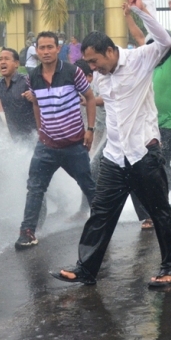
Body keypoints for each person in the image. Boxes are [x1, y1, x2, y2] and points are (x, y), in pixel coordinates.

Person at [51, 0, 171, 289]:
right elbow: (106, 105)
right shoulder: (100, 75)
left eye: (95, 61)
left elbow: (164, 41)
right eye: (89, 63)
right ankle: (86, 268)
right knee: (100, 212)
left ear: (110, 51)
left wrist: (141, 10)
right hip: (115, 156)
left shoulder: (139, 60)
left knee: (160, 212)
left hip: (144, 154)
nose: (92, 67)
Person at [14, 31, 97, 250]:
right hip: (47, 146)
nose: (46, 51)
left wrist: (90, 130)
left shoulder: (72, 72)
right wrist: (41, 129)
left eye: (50, 47)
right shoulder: (32, 76)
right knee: (35, 187)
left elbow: (89, 98)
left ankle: (102, 224)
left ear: (58, 49)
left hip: (74, 145)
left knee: (88, 185)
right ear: (36, 50)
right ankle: (27, 232)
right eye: (42, 48)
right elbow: (35, 103)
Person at [125, 0, 171, 231]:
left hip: (170, 124)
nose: (152, 48)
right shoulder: (152, 64)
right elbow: (138, 38)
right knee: (155, 164)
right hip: (152, 124)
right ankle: (170, 197)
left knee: (159, 164)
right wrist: (128, 15)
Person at [73, 58, 107, 220]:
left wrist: (89, 102)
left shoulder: (97, 86)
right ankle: (86, 210)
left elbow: (101, 120)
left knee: (92, 170)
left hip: (118, 136)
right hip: (107, 136)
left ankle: (89, 211)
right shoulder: (84, 89)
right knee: (91, 170)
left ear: (88, 76)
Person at [0, 48, 37, 141]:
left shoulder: (27, 81)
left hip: (34, 136)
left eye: (6, 59)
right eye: (0, 59)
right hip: (16, 138)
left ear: (16, 63)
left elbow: (46, 98)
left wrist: (35, 97)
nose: (2, 62)